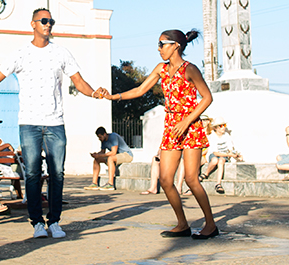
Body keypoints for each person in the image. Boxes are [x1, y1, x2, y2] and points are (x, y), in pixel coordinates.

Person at [0, 8, 109, 240]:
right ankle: (37, 223)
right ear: (33, 24)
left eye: (51, 21)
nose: (48, 24)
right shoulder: (20, 53)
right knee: (32, 174)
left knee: (57, 173)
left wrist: (94, 93)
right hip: (29, 123)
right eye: (43, 20)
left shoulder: (61, 53)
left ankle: (55, 221)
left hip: (55, 123)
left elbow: (78, 82)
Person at [106, 30, 219, 239]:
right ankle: (182, 224)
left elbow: (207, 97)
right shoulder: (161, 69)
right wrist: (114, 96)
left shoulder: (190, 69)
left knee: (192, 179)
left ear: (175, 45)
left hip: (190, 126)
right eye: (158, 45)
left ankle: (210, 224)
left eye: (162, 44)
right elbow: (140, 90)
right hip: (171, 129)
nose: (158, 49)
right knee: (166, 180)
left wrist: (187, 121)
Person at [201, 117, 240, 195]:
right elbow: (215, 152)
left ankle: (218, 183)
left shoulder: (226, 136)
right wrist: (228, 154)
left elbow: (230, 148)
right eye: (221, 126)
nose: (223, 127)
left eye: (224, 125)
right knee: (215, 160)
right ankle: (206, 173)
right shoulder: (212, 136)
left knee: (221, 161)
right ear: (215, 128)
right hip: (214, 154)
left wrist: (235, 154)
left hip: (224, 155)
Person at [87, 126, 133, 191]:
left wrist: (100, 155)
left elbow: (113, 152)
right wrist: (96, 155)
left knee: (110, 158)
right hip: (116, 156)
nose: (99, 139)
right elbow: (102, 152)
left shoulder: (113, 137)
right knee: (97, 160)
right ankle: (94, 183)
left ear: (105, 134)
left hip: (127, 155)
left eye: (100, 137)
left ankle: (110, 184)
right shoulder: (103, 141)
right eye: (98, 137)